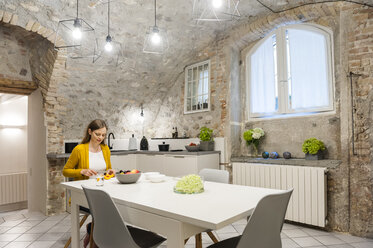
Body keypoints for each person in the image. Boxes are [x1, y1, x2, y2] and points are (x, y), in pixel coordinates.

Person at [63, 119, 114, 248]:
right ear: (90, 131)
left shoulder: (105, 149)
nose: (100, 138)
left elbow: (108, 170)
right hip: (84, 194)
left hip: (103, 191)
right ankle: (96, 242)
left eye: (103, 135)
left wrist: (110, 172)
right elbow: (65, 171)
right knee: (104, 211)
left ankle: (92, 230)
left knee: (116, 209)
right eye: (98, 134)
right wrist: (82, 171)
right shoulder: (79, 150)